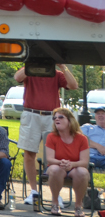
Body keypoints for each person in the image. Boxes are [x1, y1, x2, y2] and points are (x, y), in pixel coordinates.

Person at [14, 63, 78, 206]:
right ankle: (33, 191)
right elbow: (17, 77)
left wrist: (63, 67)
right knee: (29, 153)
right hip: (31, 114)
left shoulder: (56, 73)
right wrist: (31, 63)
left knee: (57, 154)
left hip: (52, 116)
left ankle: (56, 194)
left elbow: (73, 85)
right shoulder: (30, 70)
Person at [45, 107, 90, 216]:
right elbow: (50, 159)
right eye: (55, 118)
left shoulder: (82, 138)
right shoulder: (51, 136)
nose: (57, 119)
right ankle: (55, 203)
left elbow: (84, 162)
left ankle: (78, 206)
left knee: (82, 172)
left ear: (70, 121)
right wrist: (62, 162)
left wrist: (72, 164)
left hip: (75, 167)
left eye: (61, 117)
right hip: (57, 166)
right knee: (55, 170)